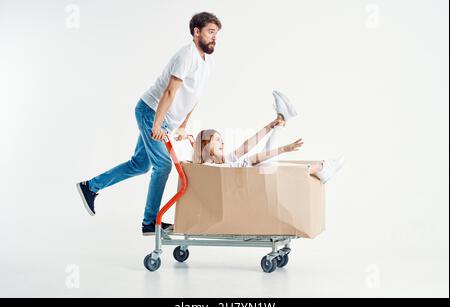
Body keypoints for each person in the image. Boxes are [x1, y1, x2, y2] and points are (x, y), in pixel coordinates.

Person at [76, 12, 222, 235]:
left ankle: (90, 187)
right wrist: (157, 124)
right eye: (211, 32)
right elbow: (170, 90)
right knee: (163, 165)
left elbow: (193, 97)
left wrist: (183, 125)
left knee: (139, 165)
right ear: (196, 32)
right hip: (151, 112)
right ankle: (150, 222)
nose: (214, 38)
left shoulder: (206, 63)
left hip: (162, 120)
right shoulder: (187, 56)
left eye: (216, 34)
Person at [193, 91, 345, 183]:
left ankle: (281, 120)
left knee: (267, 165)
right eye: (217, 140)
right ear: (205, 145)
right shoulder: (209, 169)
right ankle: (322, 167)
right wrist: (285, 148)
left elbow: (244, 148)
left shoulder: (221, 162)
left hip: (255, 176)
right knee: (267, 166)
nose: (223, 142)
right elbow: (251, 159)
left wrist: (269, 126)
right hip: (253, 183)